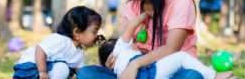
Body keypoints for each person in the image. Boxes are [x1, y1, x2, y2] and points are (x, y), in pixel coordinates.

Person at [77, 0, 236, 79]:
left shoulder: (179, 1)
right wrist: (108, 62)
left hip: (172, 71)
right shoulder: (131, 7)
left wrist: (135, 64)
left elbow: (172, 49)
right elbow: (130, 46)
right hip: (138, 73)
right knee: (86, 73)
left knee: (191, 76)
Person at [98, 12, 234, 79]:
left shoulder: (115, 69)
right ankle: (213, 76)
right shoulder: (120, 49)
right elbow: (130, 27)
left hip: (149, 75)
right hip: (149, 73)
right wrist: (144, 16)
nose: (136, 43)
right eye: (133, 42)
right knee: (180, 57)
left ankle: (205, 71)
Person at [13, 6, 104, 79]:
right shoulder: (61, 40)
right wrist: (43, 72)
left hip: (49, 68)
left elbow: (80, 71)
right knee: (63, 69)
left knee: (63, 69)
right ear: (77, 32)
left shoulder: (79, 52)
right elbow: (40, 50)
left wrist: (96, 68)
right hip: (31, 67)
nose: (96, 36)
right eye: (94, 32)